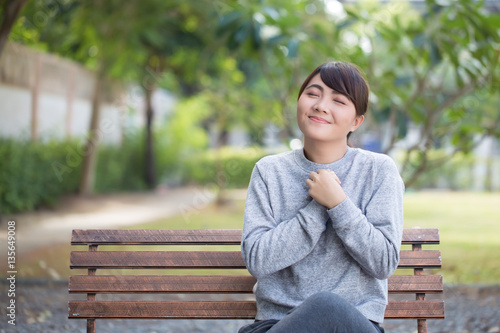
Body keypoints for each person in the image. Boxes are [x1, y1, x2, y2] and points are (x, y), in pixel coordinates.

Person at [239, 61, 404, 333]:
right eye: (313, 94)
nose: (321, 105)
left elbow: (383, 262)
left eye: (338, 100)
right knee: (321, 307)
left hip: (354, 325)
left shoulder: (378, 170)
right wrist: (317, 208)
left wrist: (339, 204)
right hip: (278, 325)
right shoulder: (270, 171)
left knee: (327, 306)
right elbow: (258, 260)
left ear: (356, 121)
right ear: (299, 102)